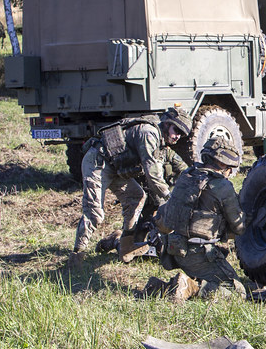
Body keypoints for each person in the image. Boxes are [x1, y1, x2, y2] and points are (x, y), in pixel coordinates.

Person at [69, 107, 193, 266]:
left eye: (181, 134)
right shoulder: (149, 134)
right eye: (176, 130)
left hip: (115, 168)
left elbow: (176, 165)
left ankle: (126, 246)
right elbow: (153, 175)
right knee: (95, 214)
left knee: (136, 196)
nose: (177, 136)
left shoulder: (160, 138)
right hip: (97, 162)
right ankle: (77, 254)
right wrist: (171, 198)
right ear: (167, 124)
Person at [154, 135, 247, 299]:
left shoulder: (187, 175)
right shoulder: (222, 186)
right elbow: (239, 227)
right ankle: (191, 288)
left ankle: (163, 288)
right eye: (229, 166)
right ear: (222, 163)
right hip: (199, 253)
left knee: (208, 276)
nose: (230, 171)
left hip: (175, 249)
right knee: (237, 293)